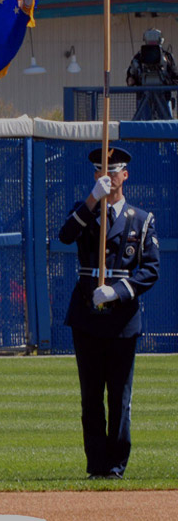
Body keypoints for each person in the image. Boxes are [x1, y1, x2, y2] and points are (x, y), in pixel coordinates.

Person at [58, 146, 159, 479]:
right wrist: (90, 201)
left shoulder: (141, 219)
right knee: (91, 397)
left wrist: (116, 291)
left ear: (125, 175)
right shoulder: (85, 211)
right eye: (102, 171)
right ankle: (95, 465)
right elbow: (65, 235)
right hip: (87, 316)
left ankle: (115, 466)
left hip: (122, 319)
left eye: (114, 171)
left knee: (119, 396)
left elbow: (150, 270)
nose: (108, 176)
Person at [126, 28, 178, 120]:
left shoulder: (167, 57)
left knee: (166, 124)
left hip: (163, 96)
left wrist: (167, 81)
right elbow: (130, 77)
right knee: (144, 123)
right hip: (144, 97)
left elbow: (175, 77)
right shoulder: (138, 58)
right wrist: (132, 79)